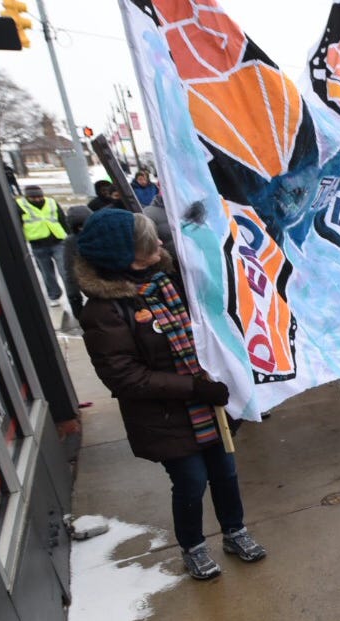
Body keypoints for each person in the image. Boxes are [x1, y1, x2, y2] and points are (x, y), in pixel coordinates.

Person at [74, 208, 268, 581]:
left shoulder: (176, 280)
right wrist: (194, 387)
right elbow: (124, 377)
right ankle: (193, 547)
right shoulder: (104, 311)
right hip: (165, 417)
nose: (160, 243)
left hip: (210, 404)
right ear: (126, 256)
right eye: (149, 242)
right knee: (191, 482)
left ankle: (235, 531)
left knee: (226, 473)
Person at [16, 184, 69, 303]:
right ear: (27, 197)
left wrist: (70, 235)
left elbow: (62, 219)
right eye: (33, 198)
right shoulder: (20, 205)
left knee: (65, 270)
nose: (37, 200)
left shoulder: (51, 202)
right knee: (47, 273)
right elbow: (18, 224)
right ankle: (54, 295)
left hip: (58, 241)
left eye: (39, 197)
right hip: (38, 244)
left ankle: (72, 294)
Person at [61, 204, 93, 320]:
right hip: (92, 286)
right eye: (80, 227)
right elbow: (70, 271)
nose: (84, 229)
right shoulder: (71, 243)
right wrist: (74, 298)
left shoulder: (105, 234)